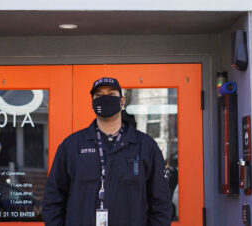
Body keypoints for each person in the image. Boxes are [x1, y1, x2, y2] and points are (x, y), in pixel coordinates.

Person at [42, 77, 172, 226]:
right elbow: (53, 200)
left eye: (111, 94)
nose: (104, 98)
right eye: (98, 95)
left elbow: (161, 204)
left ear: (122, 101)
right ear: (92, 103)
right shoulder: (71, 146)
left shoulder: (146, 146)